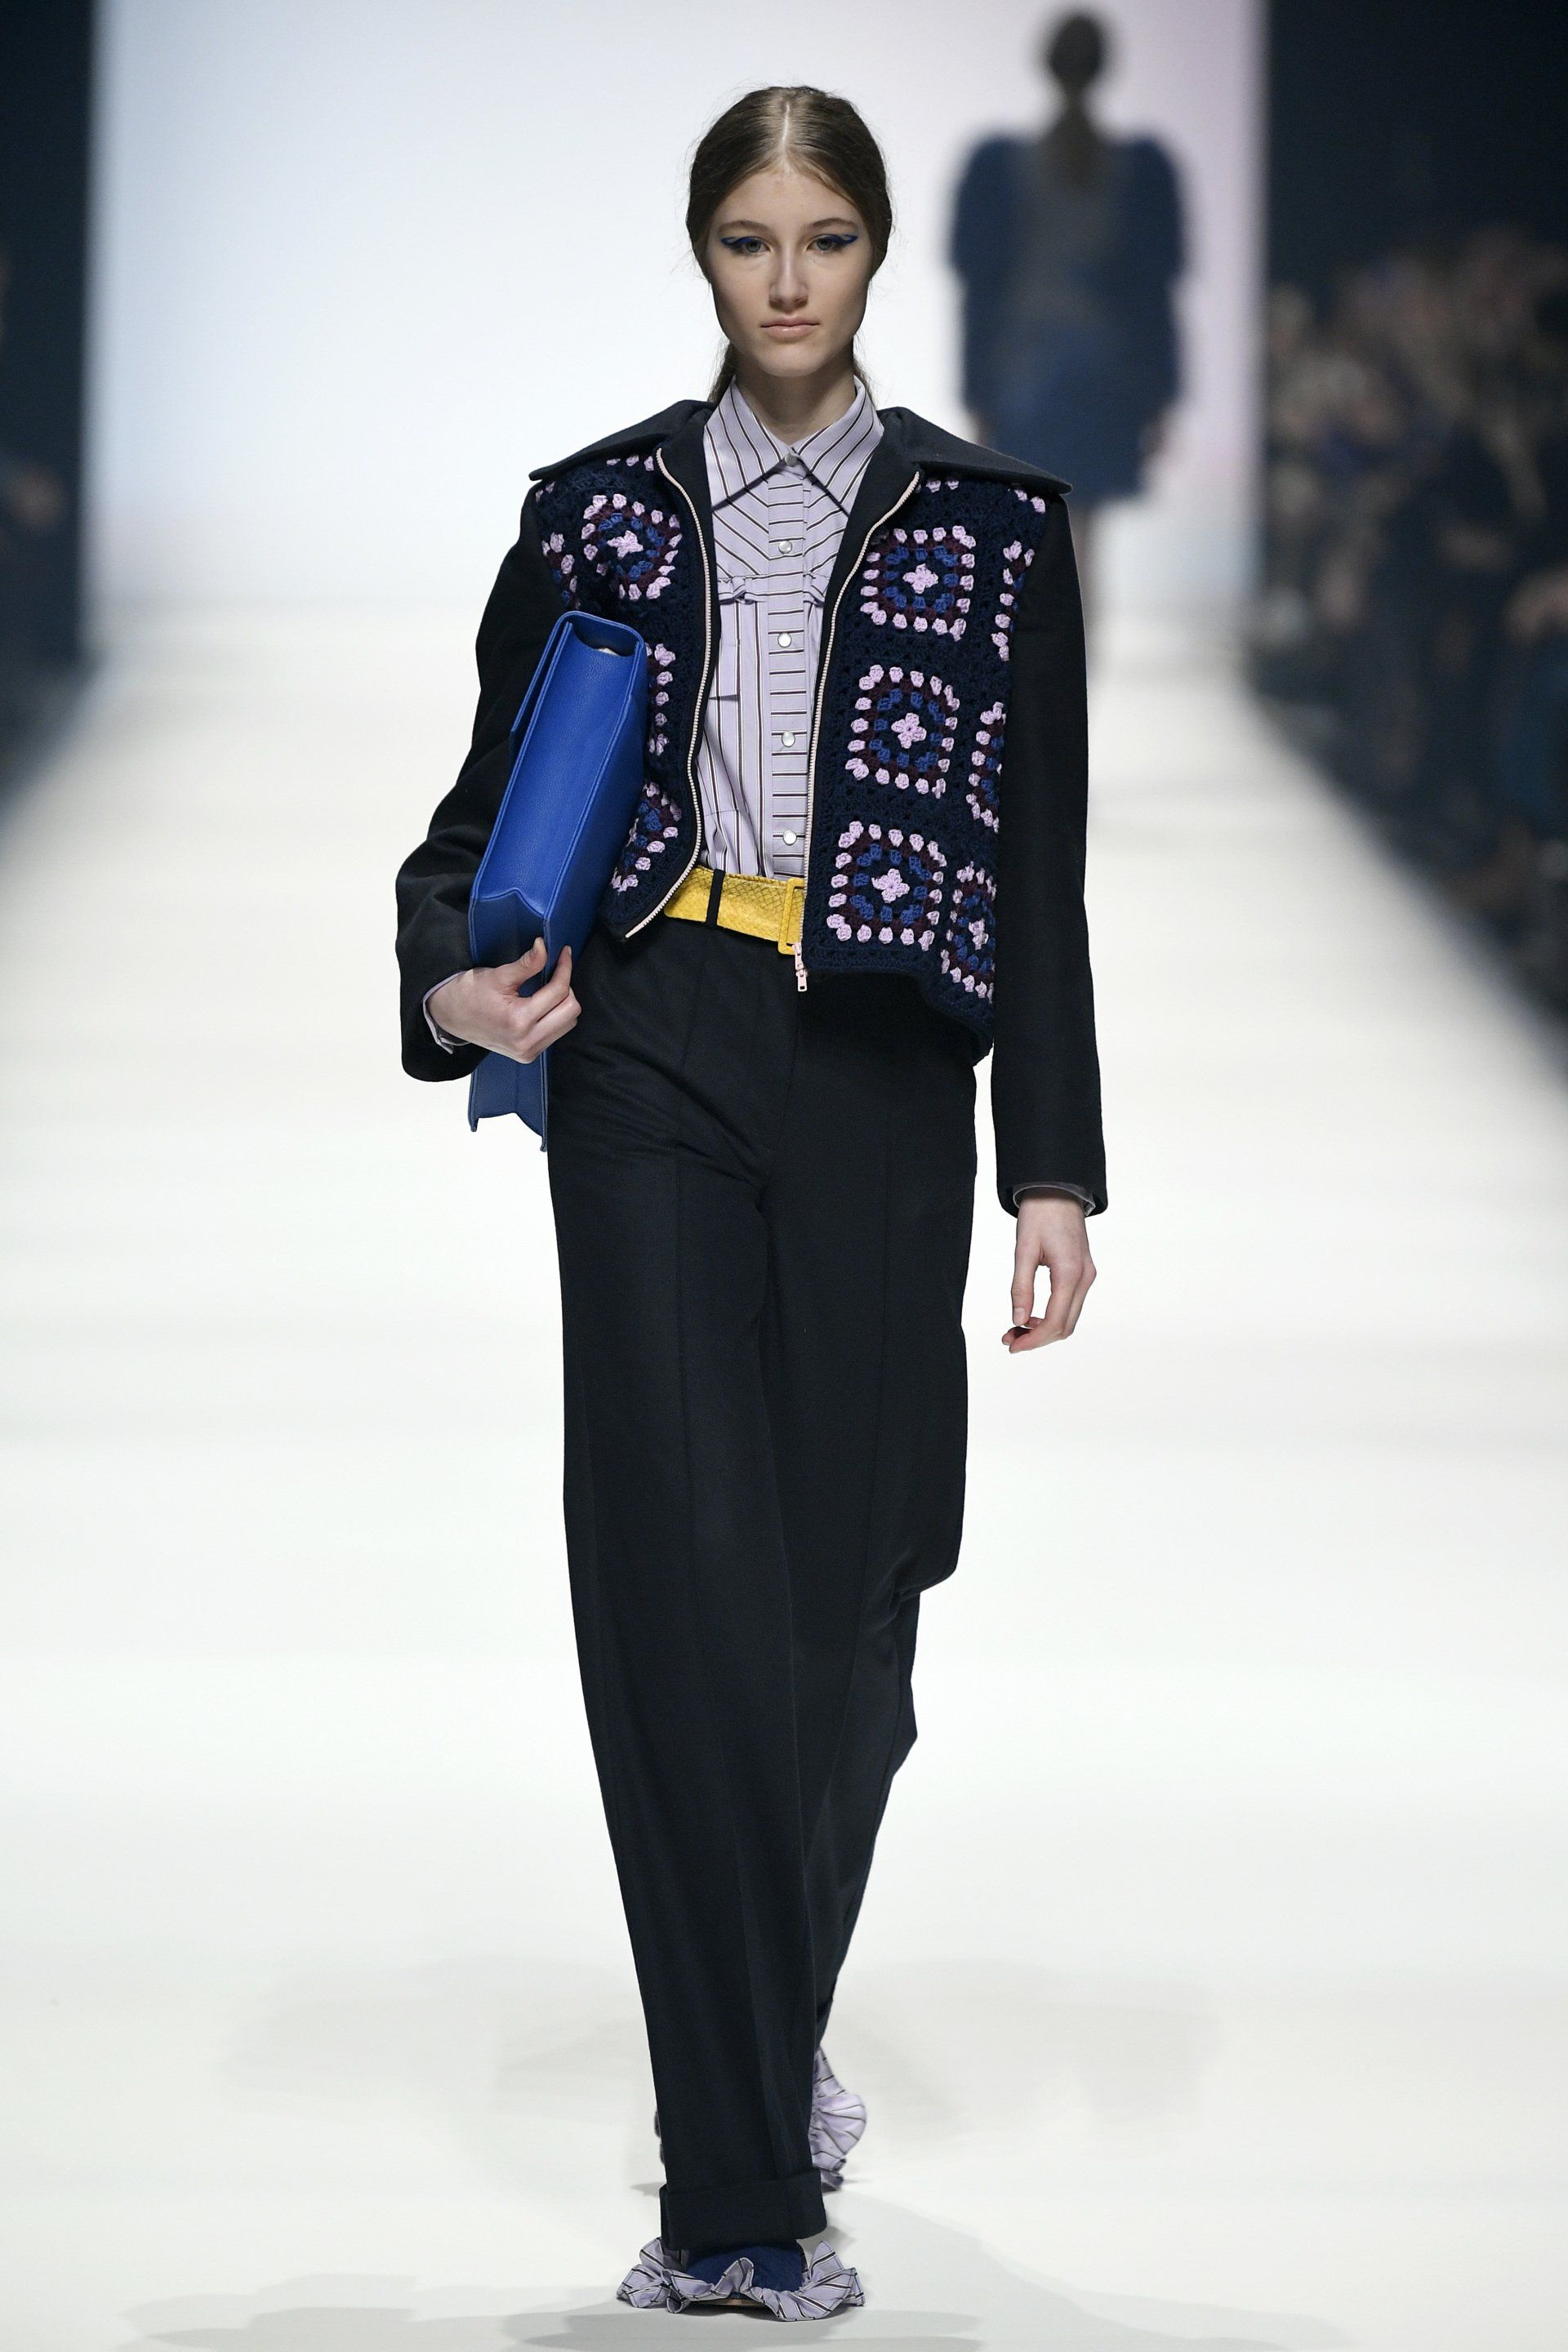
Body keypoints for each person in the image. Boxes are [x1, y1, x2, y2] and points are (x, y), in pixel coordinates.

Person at [395, 84, 1105, 2322]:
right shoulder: (600, 511)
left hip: (884, 1064)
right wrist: (449, 985)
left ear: (875, 250)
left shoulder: (993, 526)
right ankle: (731, 2195)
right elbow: (471, 821)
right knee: (673, 1593)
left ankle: (763, 2030)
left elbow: (1040, 872)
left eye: (821, 238)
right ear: (701, 255)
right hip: (656, 1040)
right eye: (745, 240)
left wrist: (1052, 1165)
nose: (785, 280)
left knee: (850, 1621)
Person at [951, 11, 1184, 638]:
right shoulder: (1136, 172)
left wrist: (977, 395)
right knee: (1085, 543)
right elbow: (1155, 296)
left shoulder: (1002, 169)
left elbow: (981, 294)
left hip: (1027, 380)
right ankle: (1073, 682)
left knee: (1031, 539)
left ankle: (1040, 680)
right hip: (1103, 379)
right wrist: (1161, 399)